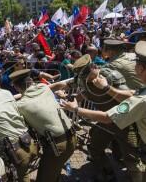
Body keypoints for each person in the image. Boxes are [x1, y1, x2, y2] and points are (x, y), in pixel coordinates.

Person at [60, 40, 146, 182]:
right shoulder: (87, 82)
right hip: (106, 123)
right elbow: (82, 95)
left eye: (136, 63)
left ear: (93, 69)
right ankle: (108, 173)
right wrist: (72, 99)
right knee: (95, 147)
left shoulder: (110, 77)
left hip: (123, 123)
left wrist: (106, 89)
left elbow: (128, 99)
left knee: (133, 160)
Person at [9, 69, 76, 182]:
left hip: (57, 146)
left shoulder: (20, 105)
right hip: (72, 137)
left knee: (44, 178)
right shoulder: (44, 88)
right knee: (54, 170)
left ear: (16, 87)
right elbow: (56, 85)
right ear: (30, 81)